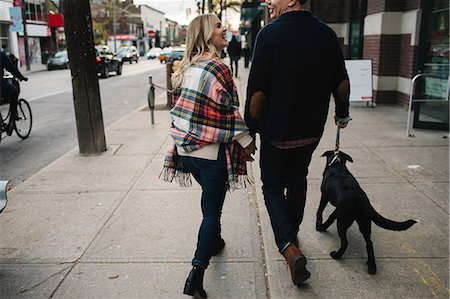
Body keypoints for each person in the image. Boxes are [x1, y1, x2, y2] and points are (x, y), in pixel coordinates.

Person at [245, 0, 351, 286]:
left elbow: (257, 94)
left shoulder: (268, 35)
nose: (267, 1)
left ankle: (288, 247)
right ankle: (291, 234)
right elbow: (341, 83)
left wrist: (248, 133)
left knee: (272, 184)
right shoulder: (327, 34)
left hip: (277, 134)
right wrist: (342, 114)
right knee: (298, 178)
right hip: (311, 133)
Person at [161, 14, 256, 298]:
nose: (224, 28)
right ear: (205, 34)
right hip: (210, 153)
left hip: (185, 151)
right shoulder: (218, 67)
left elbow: (194, 112)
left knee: (209, 203)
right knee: (212, 210)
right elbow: (227, 114)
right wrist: (247, 141)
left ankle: (213, 241)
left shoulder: (187, 67)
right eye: (217, 26)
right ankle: (196, 273)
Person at [0, 50, 28, 135]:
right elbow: (11, 68)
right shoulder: (1, 55)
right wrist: (21, 77)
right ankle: (13, 118)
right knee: (14, 92)